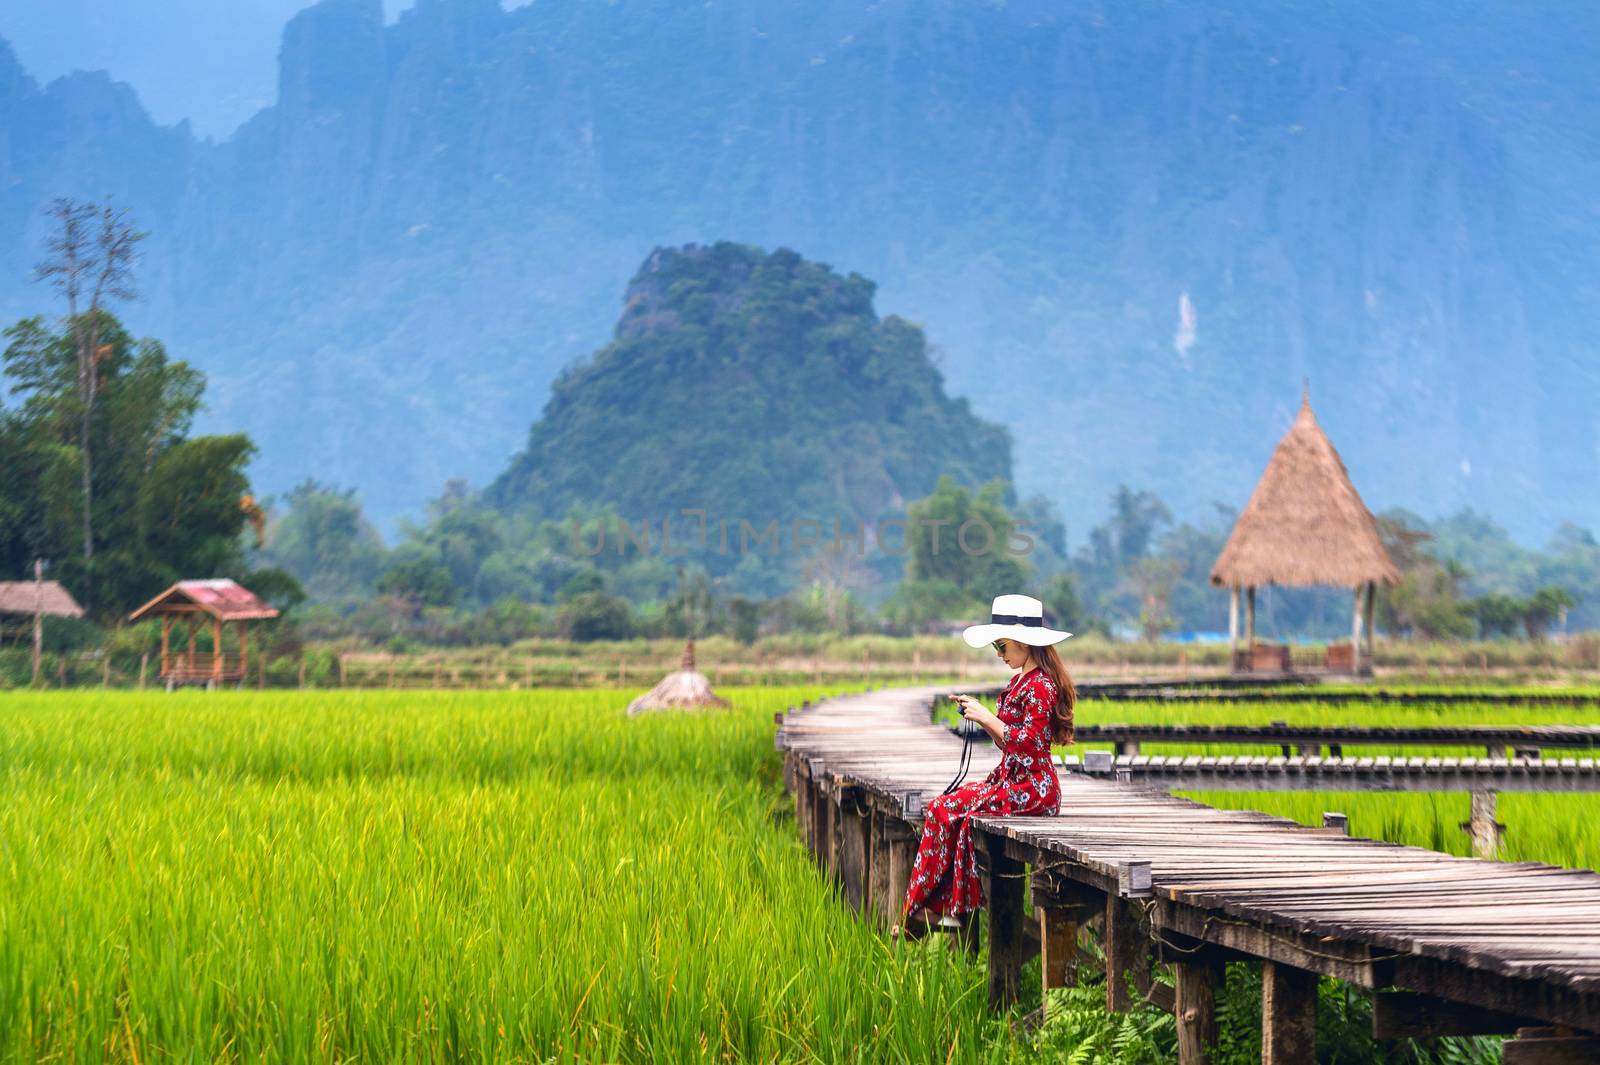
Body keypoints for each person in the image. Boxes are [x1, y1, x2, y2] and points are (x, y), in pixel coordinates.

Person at [891, 593, 1076, 940]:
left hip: (1033, 790)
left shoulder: (1041, 686)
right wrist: (980, 713)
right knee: (943, 807)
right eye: (997, 647)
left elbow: (1031, 746)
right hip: (1012, 781)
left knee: (949, 808)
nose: (999, 654)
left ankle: (934, 910)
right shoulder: (1022, 680)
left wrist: (988, 717)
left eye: (1002, 646)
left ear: (1023, 641)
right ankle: (933, 908)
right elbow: (1008, 743)